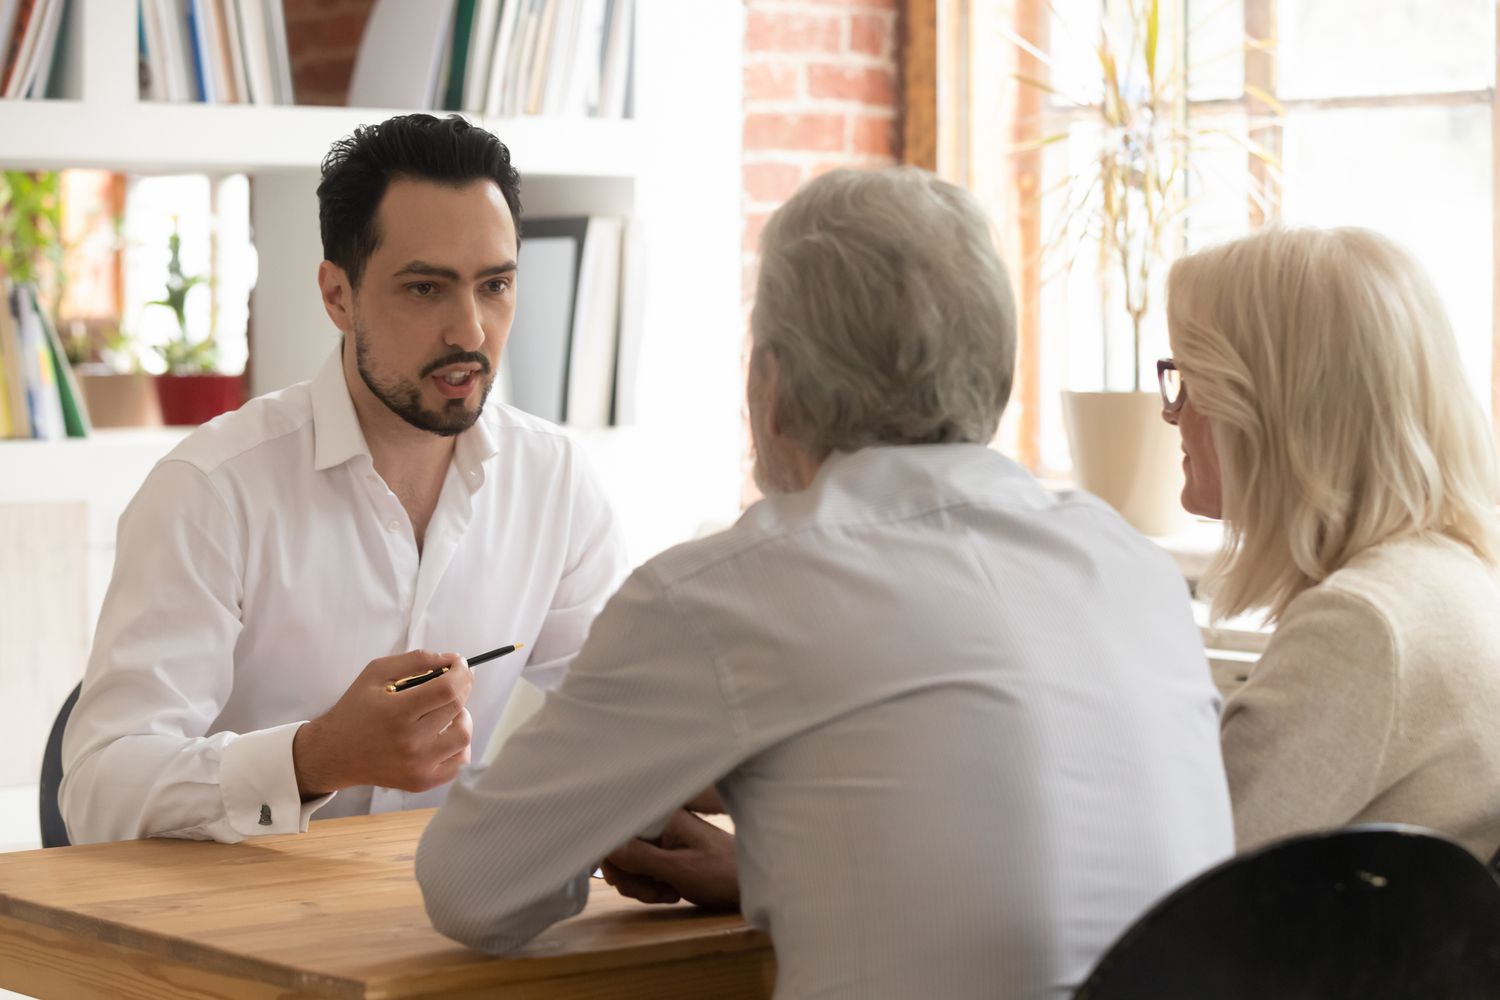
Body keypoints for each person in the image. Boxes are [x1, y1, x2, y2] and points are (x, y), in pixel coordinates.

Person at [415, 166, 1234, 999]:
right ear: (996, 371)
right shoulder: (1131, 564)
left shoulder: (728, 593)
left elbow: (471, 887)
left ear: (771, 386)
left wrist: (622, 801)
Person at [60, 114, 628, 845]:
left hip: (448, 924)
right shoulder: (212, 490)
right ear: (338, 296)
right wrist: (314, 758)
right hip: (235, 933)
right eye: (426, 289)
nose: (471, 331)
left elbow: (627, 715)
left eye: (495, 285)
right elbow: (99, 792)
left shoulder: (556, 481)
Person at [1158, 226, 1500, 858]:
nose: (1172, 413)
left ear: (1271, 405)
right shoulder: (1447, 577)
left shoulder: (1360, 625)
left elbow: (1190, 874)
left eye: (1189, 379)